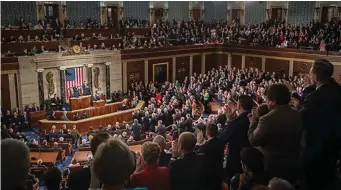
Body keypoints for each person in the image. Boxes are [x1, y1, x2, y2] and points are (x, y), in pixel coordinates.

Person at [248, 83, 303, 184]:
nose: (266, 102)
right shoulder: (298, 114)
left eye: (267, 100)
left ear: (273, 101)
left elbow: (253, 140)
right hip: (294, 163)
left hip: (272, 167)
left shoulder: (266, 119)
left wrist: (253, 122)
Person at [300, 59, 341, 190]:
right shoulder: (337, 90)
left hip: (315, 148)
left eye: (311, 73)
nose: (309, 76)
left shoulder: (313, 98)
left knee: (313, 182)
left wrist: (306, 90)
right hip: (334, 145)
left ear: (316, 77)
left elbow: (303, 119)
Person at [219, 95, 253, 178]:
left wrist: (228, 120)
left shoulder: (235, 123)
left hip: (236, 162)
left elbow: (222, 138)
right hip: (253, 161)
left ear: (239, 106)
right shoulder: (256, 119)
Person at [196, 124, 225, 190]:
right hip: (219, 173)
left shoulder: (205, 147)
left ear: (206, 133)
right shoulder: (221, 142)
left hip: (209, 177)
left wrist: (198, 143)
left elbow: (195, 154)